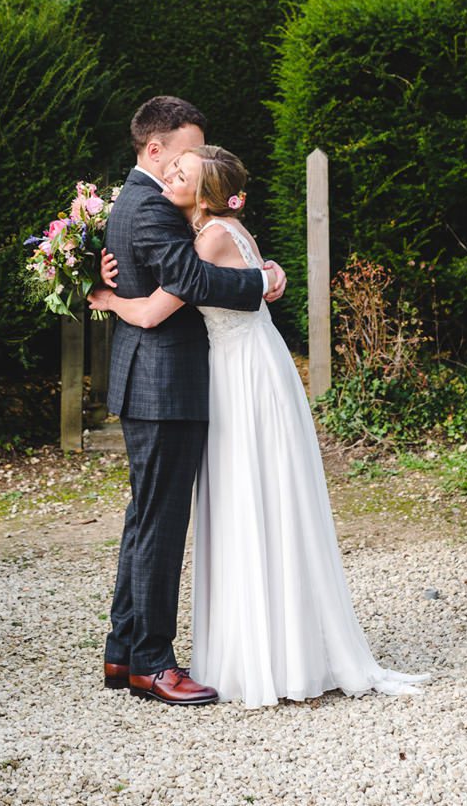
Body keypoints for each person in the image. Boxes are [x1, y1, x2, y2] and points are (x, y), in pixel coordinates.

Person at [92, 145, 426, 708]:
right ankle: (264, 641)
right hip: (244, 368)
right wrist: (269, 273)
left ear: (203, 195)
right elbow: (245, 276)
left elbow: (153, 310)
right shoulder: (224, 228)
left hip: (242, 375)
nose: (172, 175)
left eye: (183, 174)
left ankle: (265, 650)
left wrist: (104, 297)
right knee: (254, 498)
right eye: (172, 168)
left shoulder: (210, 236)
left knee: (251, 499)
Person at [91, 96, 287, 705]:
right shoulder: (149, 206)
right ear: (156, 149)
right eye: (187, 153)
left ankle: (124, 653)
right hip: (163, 384)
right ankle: (152, 663)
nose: (193, 163)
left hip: (160, 383)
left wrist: (100, 286)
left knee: (147, 519)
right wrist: (261, 280)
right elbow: (193, 280)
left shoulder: (140, 199)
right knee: (160, 524)